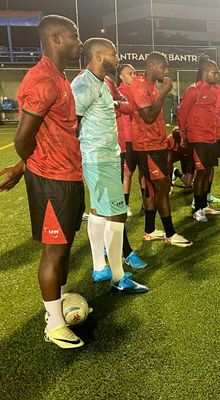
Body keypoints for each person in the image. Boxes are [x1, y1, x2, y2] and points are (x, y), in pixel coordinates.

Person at [0, 15, 85, 348]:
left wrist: (22, 168)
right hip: (51, 179)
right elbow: (24, 139)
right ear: (56, 38)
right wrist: (27, 167)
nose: (79, 42)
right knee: (53, 253)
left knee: (64, 249)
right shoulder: (43, 80)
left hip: (67, 175)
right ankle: (53, 325)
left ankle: (58, 304)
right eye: (75, 37)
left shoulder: (59, 76)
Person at [71, 38, 148, 293]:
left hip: (105, 156)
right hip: (98, 158)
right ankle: (118, 276)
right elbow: (72, 123)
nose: (117, 57)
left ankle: (98, 267)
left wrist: (113, 104)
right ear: (98, 55)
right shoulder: (83, 84)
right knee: (117, 214)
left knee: (98, 212)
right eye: (113, 54)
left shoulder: (102, 82)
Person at [129, 51, 192, 247]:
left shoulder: (150, 85)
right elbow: (148, 116)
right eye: (163, 67)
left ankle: (149, 230)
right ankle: (170, 234)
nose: (166, 71)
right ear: (151, 66)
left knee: (151, 188)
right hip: (148, 145)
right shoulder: (140, 84)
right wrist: (165, 91)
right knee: (163, 187)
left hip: (156, 143)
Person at [178, 56, 220, 222]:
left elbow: (217, 113)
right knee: (202, 172)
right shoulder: (194, 90)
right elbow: (181, 114)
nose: (217, 76)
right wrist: (184, 137)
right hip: (198, 138)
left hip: (212, 137)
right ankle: (197, 209)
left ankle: (204, 204)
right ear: (205, 72)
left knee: (208, 171)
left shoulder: (215, 91)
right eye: (215, 73)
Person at [116, 63, 145, 215]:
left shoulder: (138, 90)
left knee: (144, 171)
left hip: (141, 137)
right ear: (121, 76)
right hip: (128, 139)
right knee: (127, 173)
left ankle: (146, 203)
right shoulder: (119, 92)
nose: (133, 76)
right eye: (129, 73)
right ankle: (125, 205)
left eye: (134, 73)